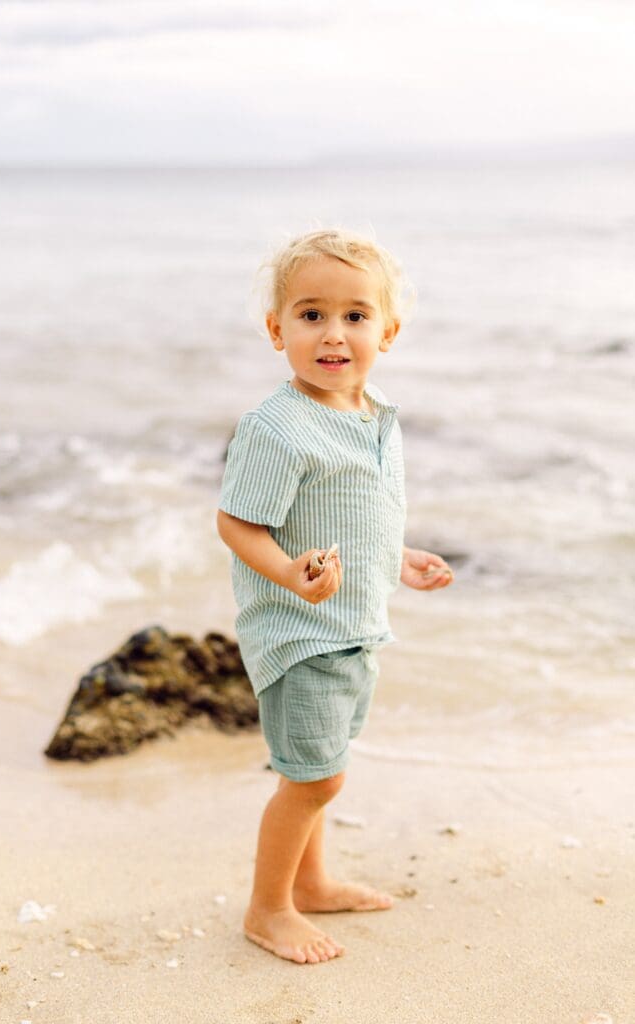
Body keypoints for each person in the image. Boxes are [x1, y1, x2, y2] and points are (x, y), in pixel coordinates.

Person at [216, 228, 454, 965]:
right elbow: (236, 521)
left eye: (355, 316)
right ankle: (268, 909)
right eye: (311, 314)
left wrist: (400, 557)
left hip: (355, 625)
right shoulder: (278, 428)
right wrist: (289, 573)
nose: (333, 334)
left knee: (316, 766)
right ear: (275, 329)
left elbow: (357, 510)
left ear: (388, 329)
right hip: (300, 632)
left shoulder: (374, 414)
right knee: (317, 777)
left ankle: (311, 882)